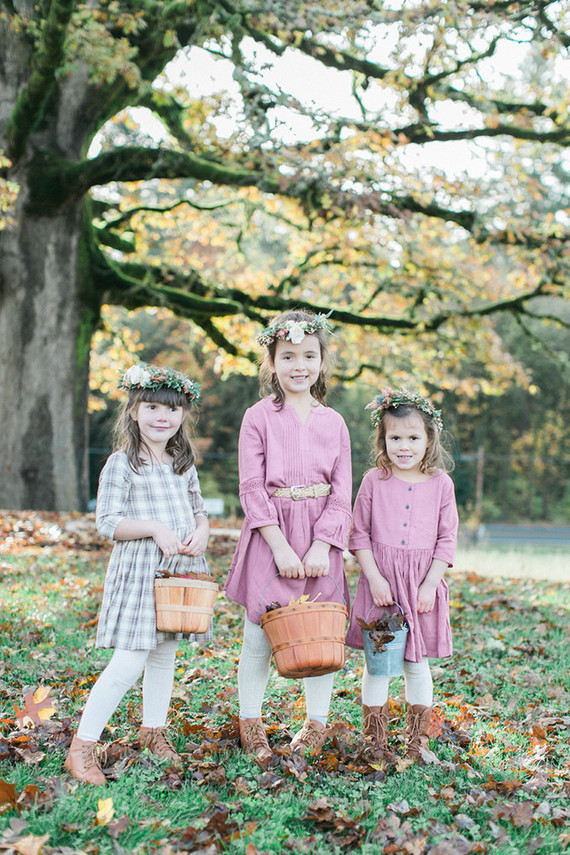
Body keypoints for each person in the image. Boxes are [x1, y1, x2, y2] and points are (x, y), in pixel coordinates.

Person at [64, 363, 211, 785]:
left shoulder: (183, 463)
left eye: (172, 410)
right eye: (151, 408)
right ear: (133, 410)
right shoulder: (122, 463)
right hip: (141, 572)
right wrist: (153, 528)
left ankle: (153, 730)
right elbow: (107, 522)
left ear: (183, 415)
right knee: (129, 660)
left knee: (164, 656)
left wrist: (201, 530)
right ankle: (83, 746)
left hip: (180, 571)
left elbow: (198, 509)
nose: (162, 418)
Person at [225, 310, 352, 762]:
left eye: (309, 356)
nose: (300, 365)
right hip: (270, 534)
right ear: (272, 362)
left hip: (320, 536)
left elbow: (342, 490)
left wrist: (322, 544)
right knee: (259, 633)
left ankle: (317, 722)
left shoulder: (334, 422)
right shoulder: (258, 417)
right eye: (288, 356)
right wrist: (278, 545)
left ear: (321, 361)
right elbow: (251, 486)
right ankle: (251, 722)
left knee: (321, 634)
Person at [345, 386, 458, 760]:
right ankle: (374, 740)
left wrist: (429, 584)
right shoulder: (374, 481)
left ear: (429, 440)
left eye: (413, 437)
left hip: (420, 586)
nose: (403, 445)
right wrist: (375, 578)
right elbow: (358, 533)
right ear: (384, 439)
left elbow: (446, 539)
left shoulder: (441, 484)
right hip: (382, 584)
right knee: (378, 665)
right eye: (395, 437)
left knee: (416, 663)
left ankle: (417, 741)